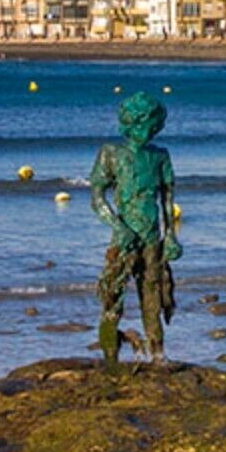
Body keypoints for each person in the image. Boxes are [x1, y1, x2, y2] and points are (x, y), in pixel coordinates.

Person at [89, 93, 178, 366]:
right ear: (128, 124)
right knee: (113, 296)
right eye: (140, 125)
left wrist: (171, 237)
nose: (145, 132)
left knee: (153, 294)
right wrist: (118, 226)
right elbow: (97, 198)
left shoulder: (160, 156)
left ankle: (158, 354)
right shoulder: (111, 154)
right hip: (123, 238)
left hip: (152, 238)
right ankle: (111, 355)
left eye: (151, 127)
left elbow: (167, 200)